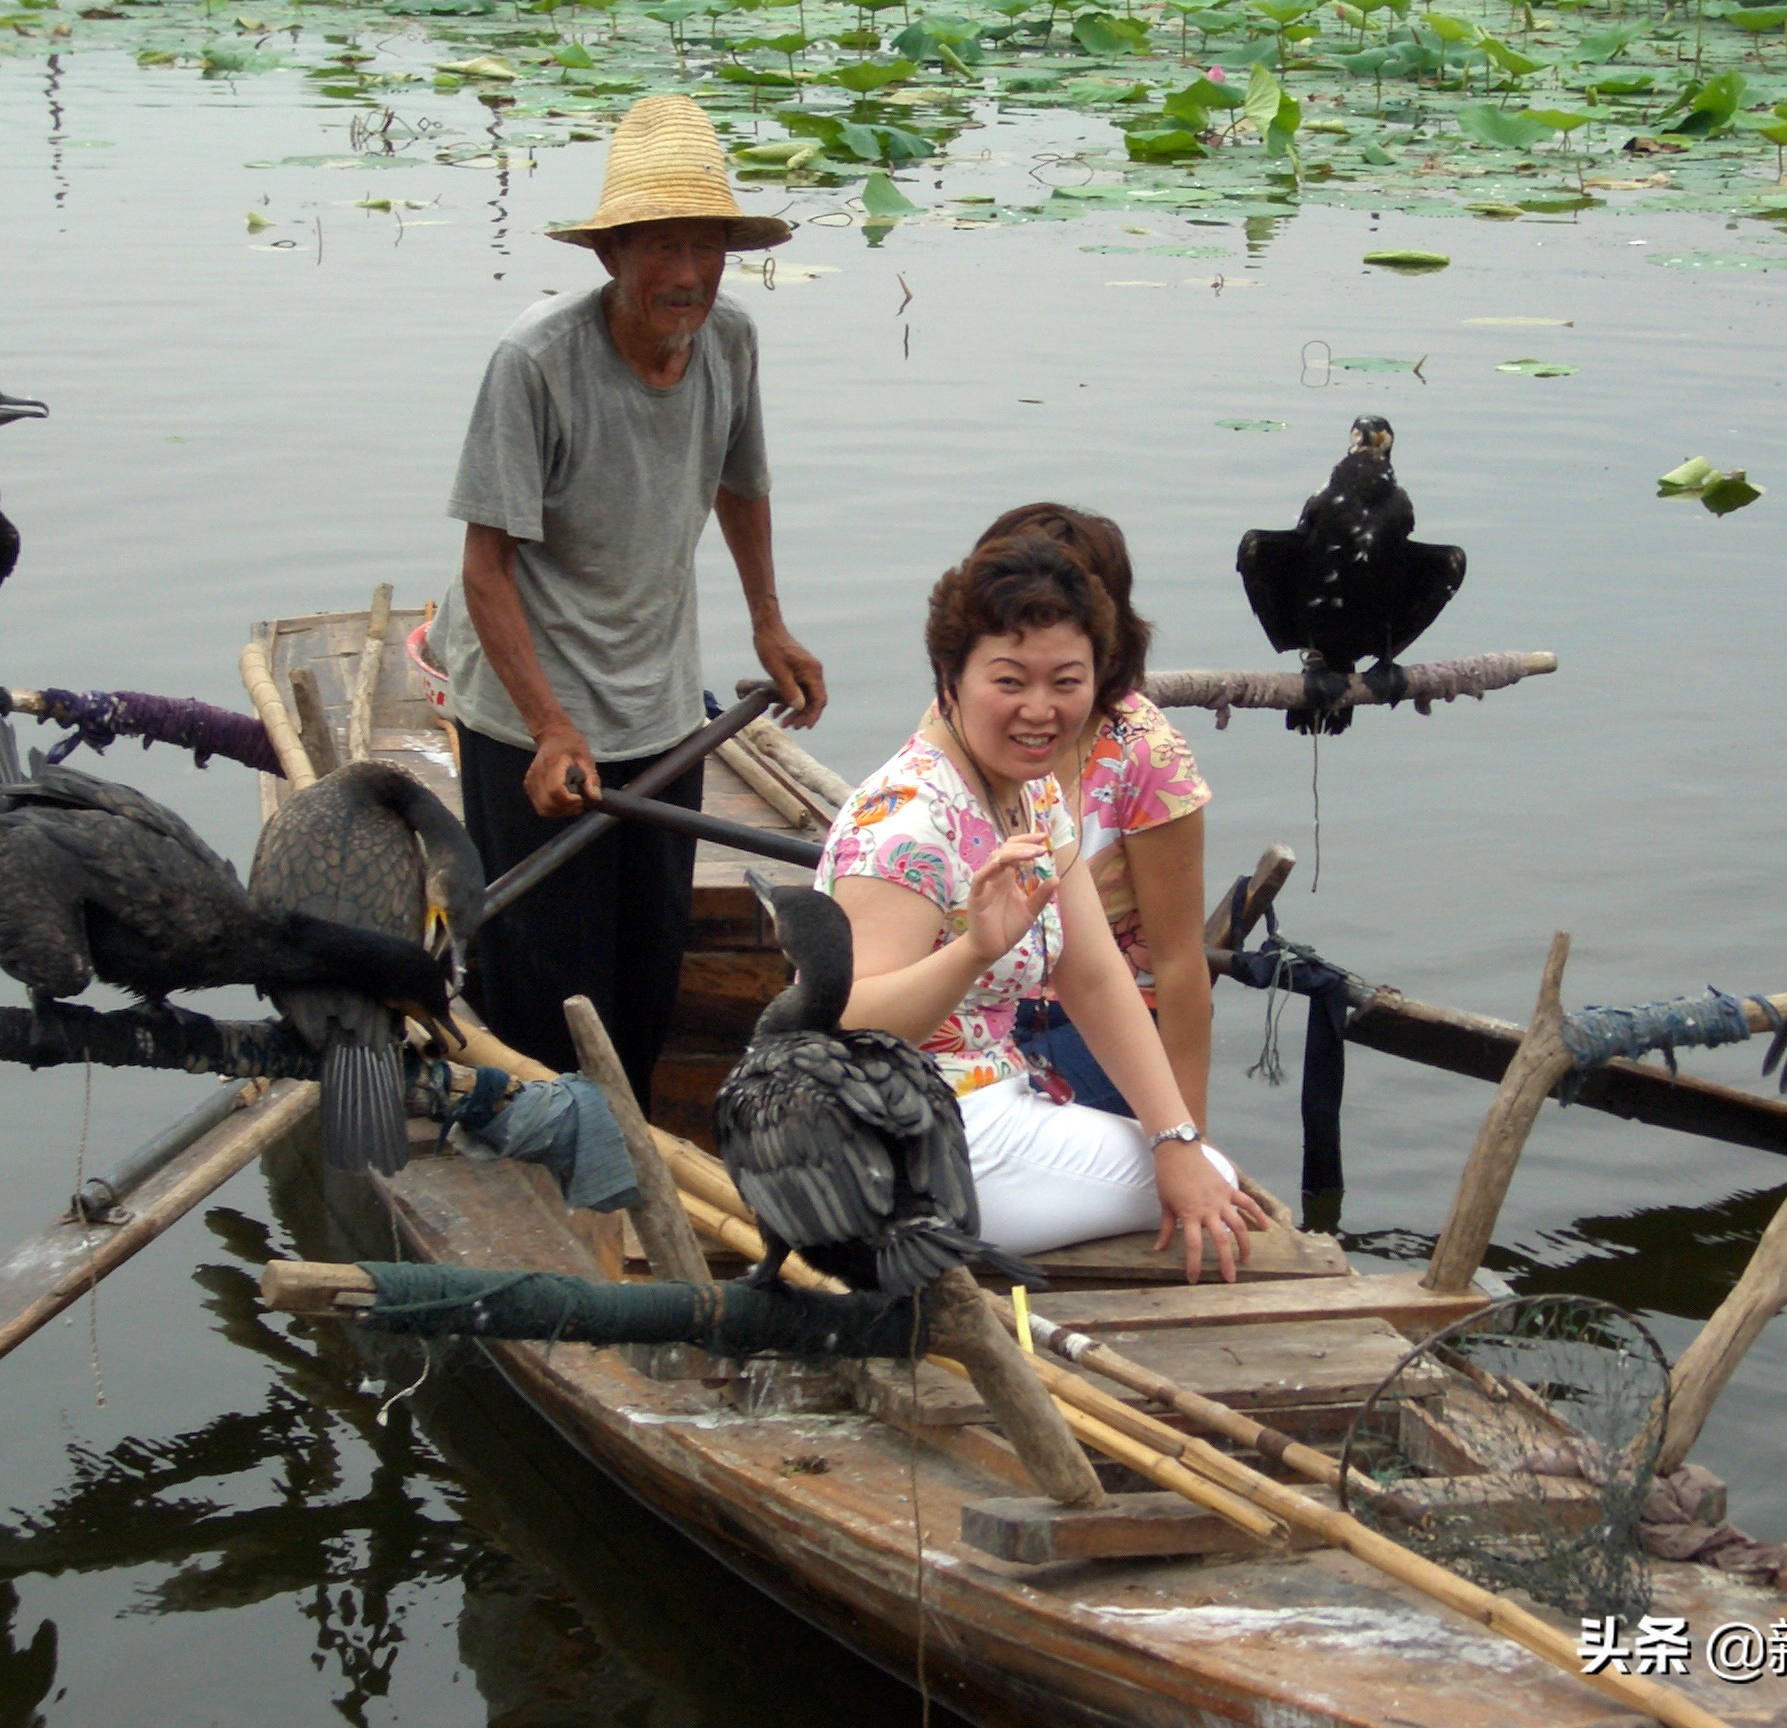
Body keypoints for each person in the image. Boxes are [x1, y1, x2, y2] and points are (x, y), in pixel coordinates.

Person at [438, 94, 826, 1106]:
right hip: (528, 709)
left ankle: (631, 1163)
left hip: (658, 708)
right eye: (662, 247)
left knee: (648, 975)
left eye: (707, 248)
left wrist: (769, 621)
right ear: (612, 255)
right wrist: (548, 725)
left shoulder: (729, 343)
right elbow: (487, 569)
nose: (689, 275)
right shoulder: (537, 364)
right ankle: (546, 1166)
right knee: (544, 991)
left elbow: (742, 483)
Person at [817, 536, 1269, 1282]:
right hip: (894, 1138)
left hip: (985, 1101)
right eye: (1009, 680)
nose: (1040, 709)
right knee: (1209, 1175)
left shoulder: (1029, 793)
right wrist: (970, 954)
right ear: (949, 678)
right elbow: (842, 1027)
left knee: (1190, 1159)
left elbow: (1092, 975)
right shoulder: (909, 823)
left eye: (1066, 681)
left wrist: (1176, 1136)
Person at [969, 504, 1214, 1128]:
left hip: (1100, 1018)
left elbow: (1181, 964)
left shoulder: (1143, 755)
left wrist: (1191, 1139)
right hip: (983, 990)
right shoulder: (972, 718)